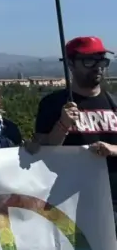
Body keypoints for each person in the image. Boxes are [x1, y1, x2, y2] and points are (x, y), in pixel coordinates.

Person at [36, 36, 117, 208]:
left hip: (113, 198)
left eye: (101, 61)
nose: (98, 67)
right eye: (89, 60)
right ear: (70, 64)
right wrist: (63, 125)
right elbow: (42, 150)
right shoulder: (51, 104)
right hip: (71, 202)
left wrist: (112, 150)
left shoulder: (114, 103)